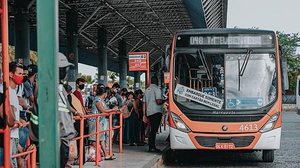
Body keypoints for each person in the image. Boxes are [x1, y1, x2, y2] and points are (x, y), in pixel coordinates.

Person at [58, 52, 77, 168]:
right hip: (56, 139)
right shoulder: (49, 88)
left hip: (63, 138)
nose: (65, 72)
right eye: (63, 69)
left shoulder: (60, 88)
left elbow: (65, 109)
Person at [89, 86, 117, 160]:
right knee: (95, 139)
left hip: (99, 121)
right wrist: (112, 110)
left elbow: (105, 110)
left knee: (101, 138)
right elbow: (103, 110)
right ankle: (97, 156)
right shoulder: (97, 100)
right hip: (94, 122)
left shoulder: (101, 100)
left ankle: (105, 154)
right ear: (104, 93)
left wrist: (112, 110)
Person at [143, 76, 164, 153]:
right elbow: (158, 101)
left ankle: (151, 146)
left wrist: (144, 114)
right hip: (156, 112)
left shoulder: (146, 90)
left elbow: (144, 103)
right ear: (157, 81)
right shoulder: (157, 89)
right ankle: (152, 147)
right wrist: (165, 100)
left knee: (151, 130)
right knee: (154, 130)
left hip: (149, 112)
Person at [9, 62, 24, 167]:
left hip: (14, 135)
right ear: (11, 74)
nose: (22, 77)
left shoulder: (14, 91)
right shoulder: (5, 91)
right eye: (19, 73)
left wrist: (20, 120)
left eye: (22, 74)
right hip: (9, 136)